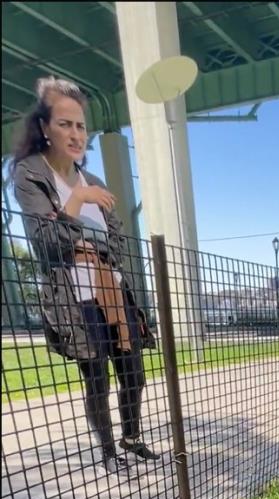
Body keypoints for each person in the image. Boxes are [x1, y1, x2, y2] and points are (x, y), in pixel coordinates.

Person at [10, 75, 158, 472]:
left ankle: (131, 437)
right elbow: (44, 243)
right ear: (44, 128)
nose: (75, 134)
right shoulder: (31, 174)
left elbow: (119, 241)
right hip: (73, 298)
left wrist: (87, 245)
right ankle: (108, 450)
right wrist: (75, 201)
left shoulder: (95, 181)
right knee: (97, 378)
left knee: (134, 373)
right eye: (65, 124)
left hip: (112, 289)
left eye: (80, 125)